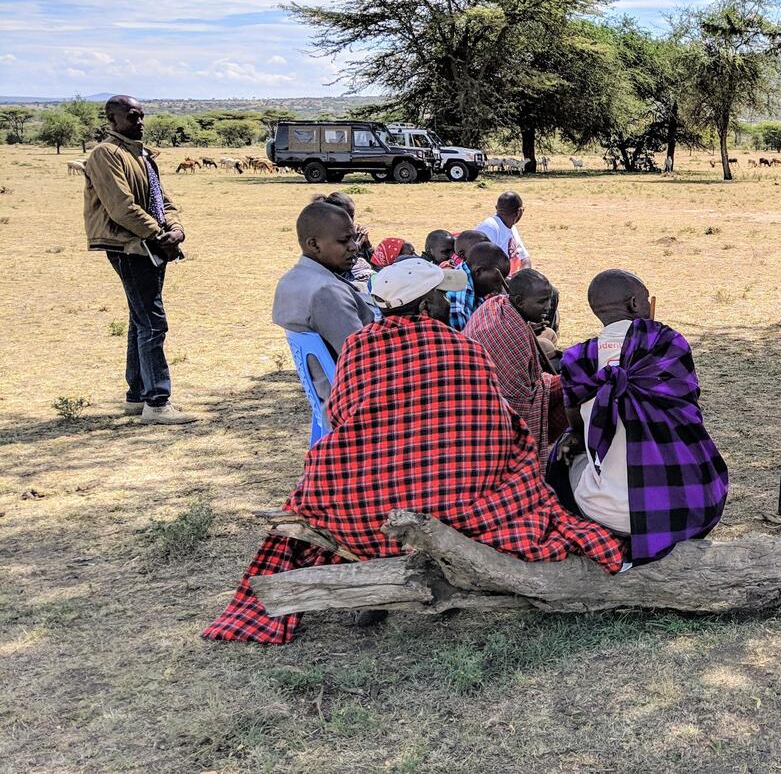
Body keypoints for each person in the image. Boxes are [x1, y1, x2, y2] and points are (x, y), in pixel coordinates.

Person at [203, 257, 625, 644]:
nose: (448, 300)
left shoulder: (357, 348)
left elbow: (340, 419)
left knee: (326, 485)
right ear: (426, 307)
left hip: (367, 511)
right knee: (521, 479)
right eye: (441, 294)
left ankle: (373, 569)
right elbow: (498, 430)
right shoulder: (461, 349)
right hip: (458, 506)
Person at [552, 270, 729, 564]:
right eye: (647, 300)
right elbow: (689, 409)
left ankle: (586, 532)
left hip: (606, 512)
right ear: (635, 304)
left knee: (563, 452)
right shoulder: (668, 343)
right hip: (686, 510)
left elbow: (577, 427)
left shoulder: (577, 358)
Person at [83, 94, 196, 424]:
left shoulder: (142, 155)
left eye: (142, 115)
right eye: (132, 117)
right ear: (113, 121)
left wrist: (175, 228)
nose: (140, 122)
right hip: (129, 247)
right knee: (153, 322)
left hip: (149, 245)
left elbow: (164, 200)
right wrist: (159, 236)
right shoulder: (106, 154)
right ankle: (158, 403)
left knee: (140, 318)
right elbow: (121, 207)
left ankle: (137, 397)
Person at [270, 202, 374, 399]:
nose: (354, 247)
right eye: (344, 241)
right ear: (314, 244)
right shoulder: (327, 292)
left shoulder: (290, 280)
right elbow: (363, 358)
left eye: (353, 238)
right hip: (351, 400)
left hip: (324, 391)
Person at [462, 268, 562, 457]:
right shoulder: (507, 331)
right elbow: (520, 401)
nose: (548, 307)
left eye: (549, 300)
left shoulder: (497, 304)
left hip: (486, 398)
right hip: (491, 413)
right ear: (518, 301)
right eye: (542, 302)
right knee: (574, 386)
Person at [312, 192, 373, 283]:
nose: (350, 221)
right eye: (344, 216)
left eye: (352, 216)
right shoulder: (325, 237)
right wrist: (356, 246)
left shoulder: (355, 233)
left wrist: (367, 245)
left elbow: (375, 263)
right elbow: (335, 270)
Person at [443, 230, 490, 329]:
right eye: (480, 250)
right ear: (462, 255)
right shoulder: (460, 284)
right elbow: (460, 330)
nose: (488, 253)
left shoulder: (480, 277)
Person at [477, 191, 530, 273]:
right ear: (519, 212)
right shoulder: (489, 228)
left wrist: (524, 276)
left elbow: (525, 258)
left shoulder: (511, 228)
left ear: (496, 208)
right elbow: (481, 268)